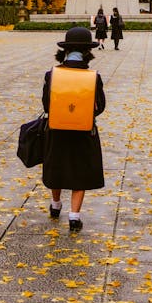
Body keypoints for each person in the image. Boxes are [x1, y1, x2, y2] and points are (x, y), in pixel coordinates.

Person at [41, 27, 106, 231]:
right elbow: (101, 106)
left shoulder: (52, 74)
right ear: (88, 53)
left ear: (65, 51)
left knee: (56, 165)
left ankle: (55, 204)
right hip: (83, 131)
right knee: (80, 170)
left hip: (57, 130)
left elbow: (45, 105)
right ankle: (74, 216)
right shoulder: (93, 77)